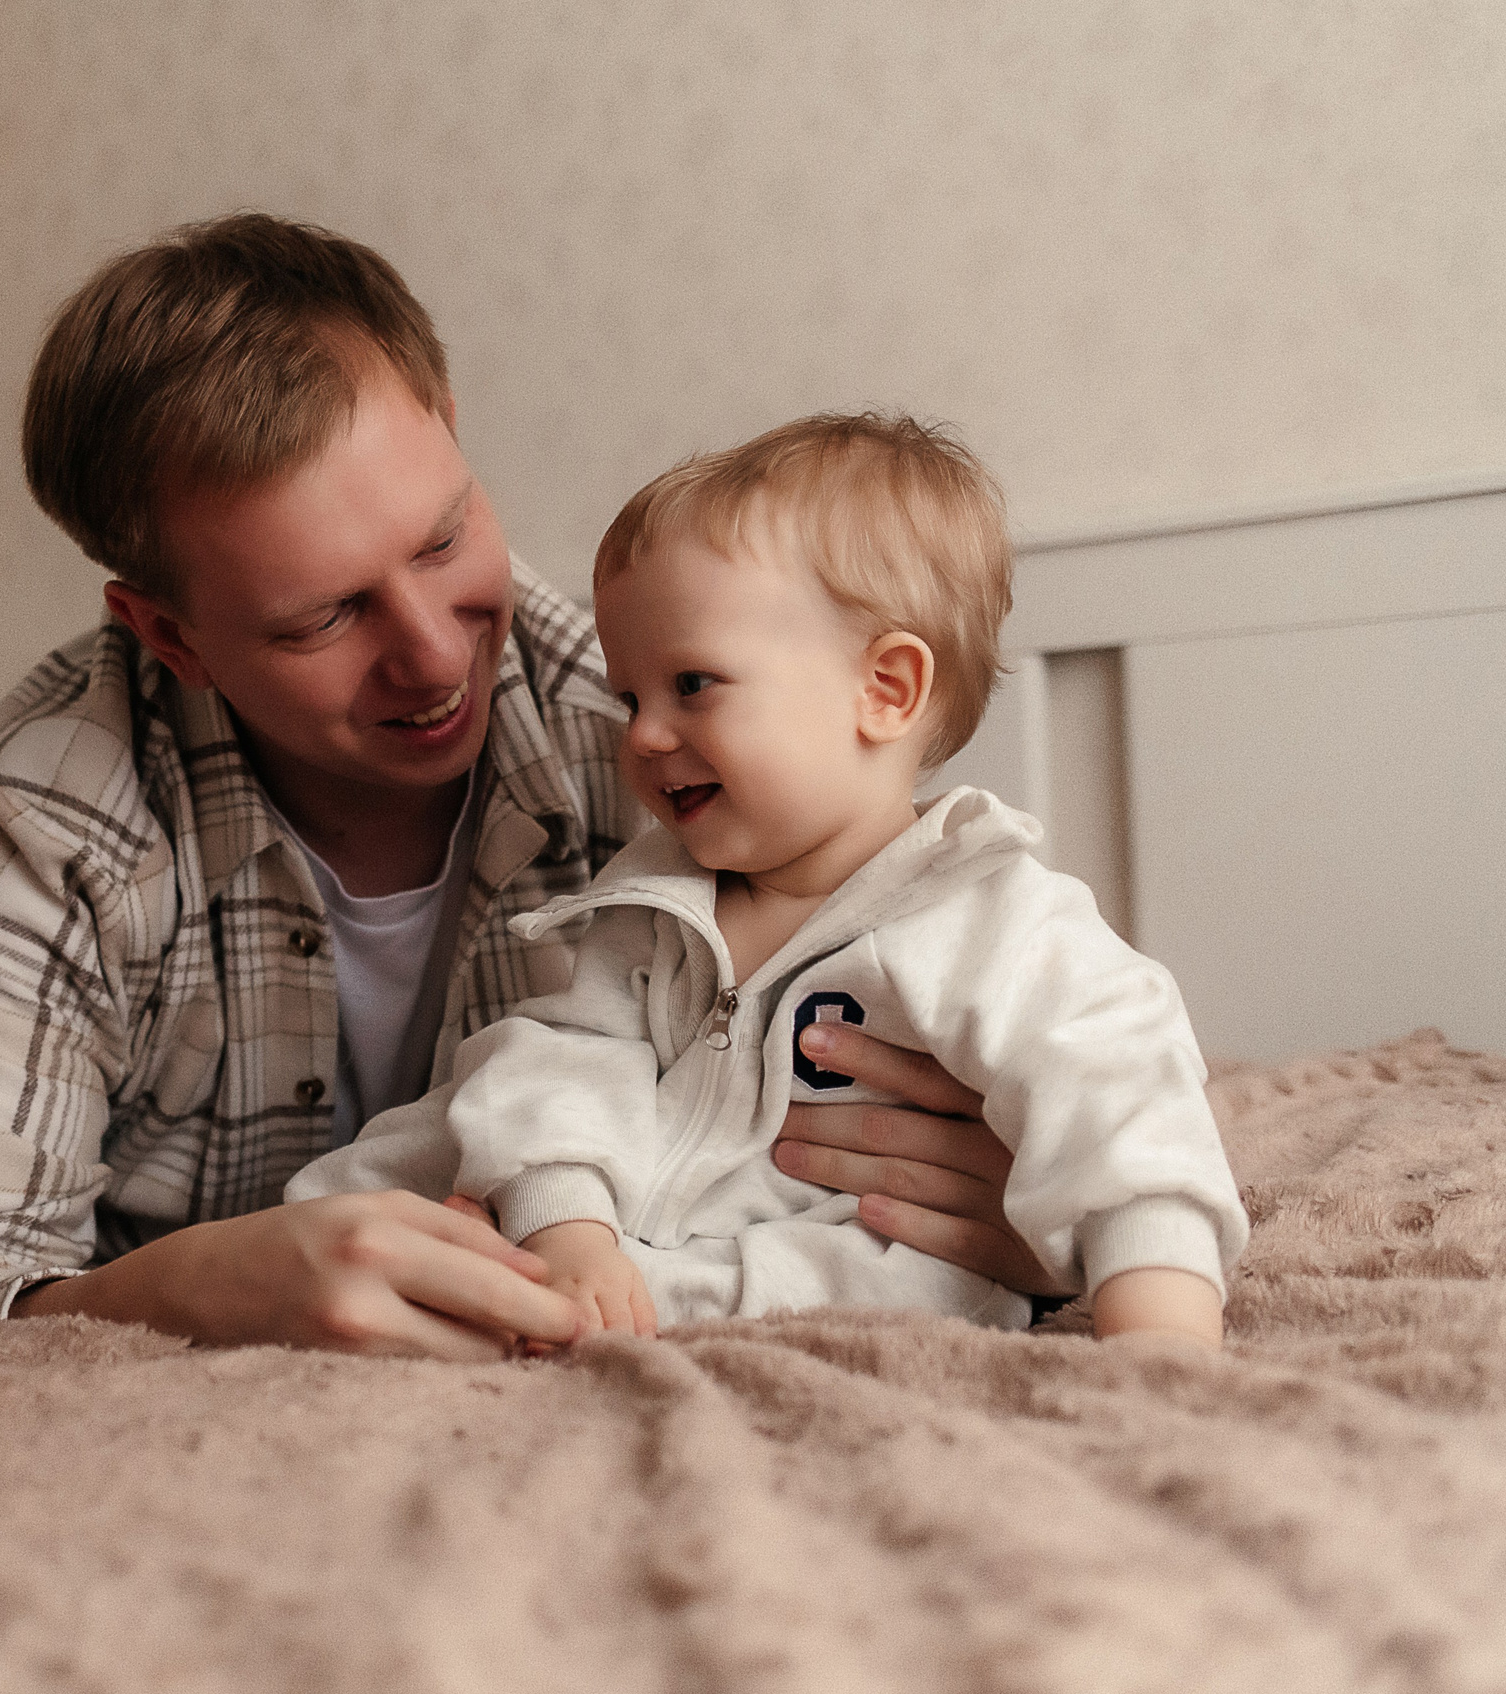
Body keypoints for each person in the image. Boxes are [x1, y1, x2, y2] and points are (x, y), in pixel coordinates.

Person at [0, 215, 1065, 1363]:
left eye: (440, 539)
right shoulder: (40, 818)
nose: (433, 654)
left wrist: (1023, 1211)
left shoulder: (645, 737)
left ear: (454, 429)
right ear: (170, 635)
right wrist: (195, 1281)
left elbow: (1003, 1042)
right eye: (322, 617)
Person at [289, 414, 1247, 1346]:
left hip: (821, 1255)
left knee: (902, 1274)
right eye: (632, 697)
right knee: (469, 1106)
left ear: (886, 690)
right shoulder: (654, 902)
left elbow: (1126, 1110)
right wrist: (567, 1228)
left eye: (693, 685)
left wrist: (1158, 1336)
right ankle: (302, 1259)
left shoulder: (992, 919)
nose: (644, 735)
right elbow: (565, 1066)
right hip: (607, 1227)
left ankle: (601, 1303)